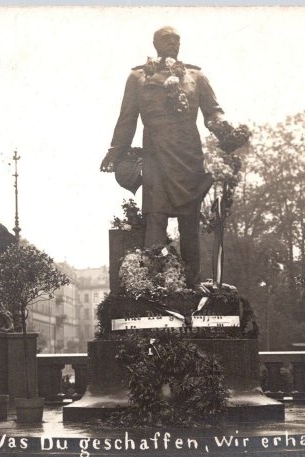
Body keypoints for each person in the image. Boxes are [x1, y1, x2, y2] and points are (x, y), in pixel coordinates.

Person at [100, 26, 227, 287]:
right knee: (155, 218)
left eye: (176, 39)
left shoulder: (196, 76)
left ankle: (193, 282)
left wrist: (227, 131)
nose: (172, 43)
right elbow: (127, 119)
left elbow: (213, 112)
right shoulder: (138, 77)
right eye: (166, 39)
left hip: (189, 156)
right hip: (156, 154)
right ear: (155, 44)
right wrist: (115, 151)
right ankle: (155, 283)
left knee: (189, 222)